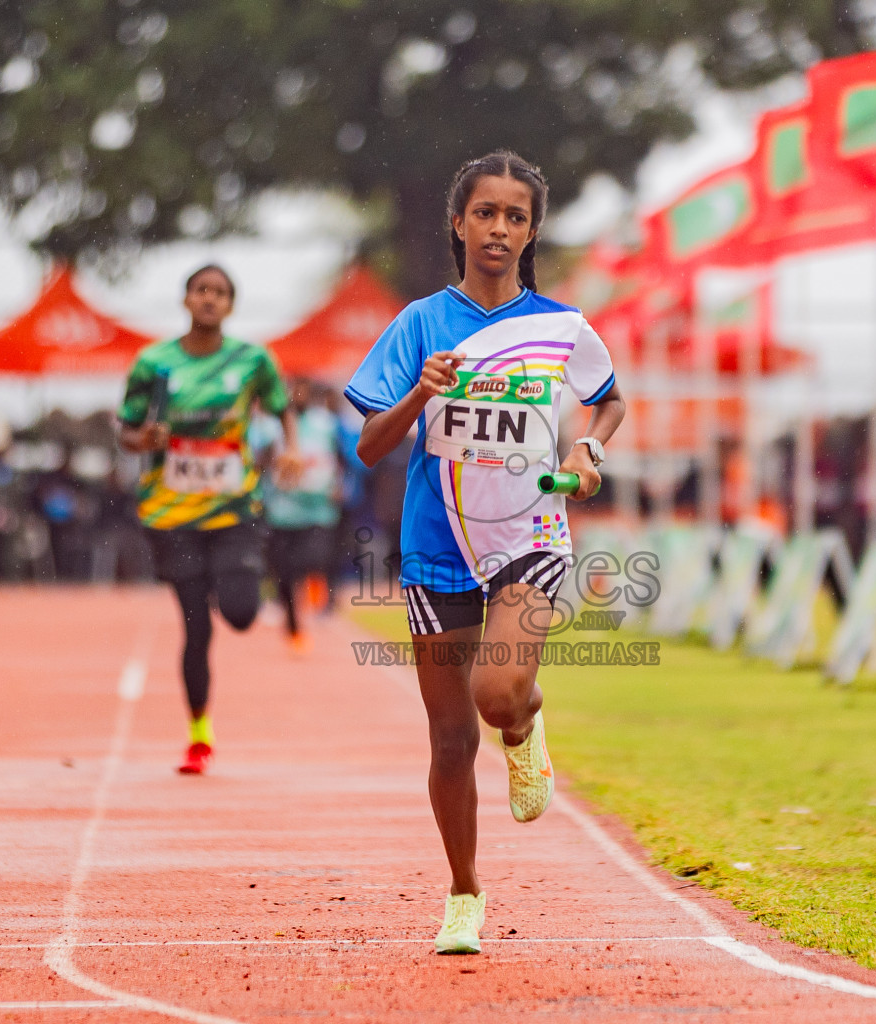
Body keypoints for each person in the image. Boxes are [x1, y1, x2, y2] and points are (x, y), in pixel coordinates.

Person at [344, 151, 625, 955]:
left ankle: (526, 718)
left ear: (532, 230)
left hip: (529, 537)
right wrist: (419, 393)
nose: (498, 228)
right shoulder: (420, 325)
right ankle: (464, 893)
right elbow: (369, 446)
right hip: (437, 546)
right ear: (458, 223)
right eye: (485, 213)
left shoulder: (562, 327)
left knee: (497, 691)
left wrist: (586, 455)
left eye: (515, 216)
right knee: (448, 740)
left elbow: (608, 403)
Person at [118, 264, 300, 776]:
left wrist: (292, 448)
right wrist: (144, 440)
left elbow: (282, 405)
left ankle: (234, 578)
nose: (209, 300)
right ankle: (199, 735)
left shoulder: (250, 361)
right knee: (196, 630)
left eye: (219, 293)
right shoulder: (154, 363)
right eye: (201, 291)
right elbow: (126, 430)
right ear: (186, 299)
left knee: (241, 613)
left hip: (233, 508)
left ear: (230, 305)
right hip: (171, 513)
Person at [252, 379, 343, 652]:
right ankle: (293, 628)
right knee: (284, 574)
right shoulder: (269, 428)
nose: (298, 396)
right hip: (282, 510)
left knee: (314, 558)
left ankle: (315, 589)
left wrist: (339, 482)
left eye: (303, 391)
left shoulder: (324, 424)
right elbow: (259, 461)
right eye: (294, 392)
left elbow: (339, 456)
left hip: (318, 509)